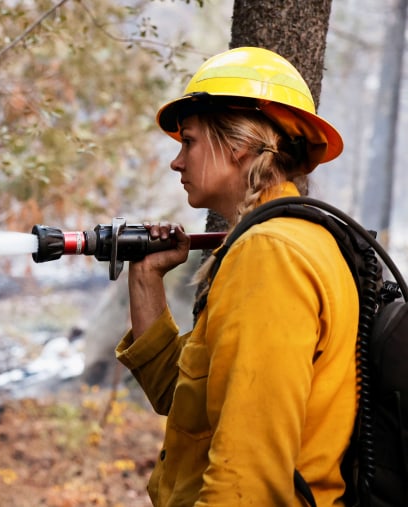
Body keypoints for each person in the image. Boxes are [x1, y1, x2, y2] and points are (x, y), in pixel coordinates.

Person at [116, 46, 358, 506]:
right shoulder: (274, 243)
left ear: (239, 145)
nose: (176, 161)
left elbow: (249, 476)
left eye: (188, 141)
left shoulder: (271, 256)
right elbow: (182, 397)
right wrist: (146, 279)